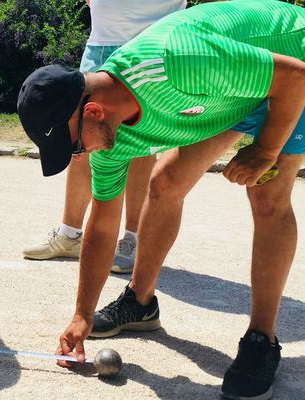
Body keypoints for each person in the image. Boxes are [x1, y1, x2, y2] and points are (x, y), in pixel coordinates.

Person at [17, 1, 305, 399]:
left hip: (303, 62)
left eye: (74, 145)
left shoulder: (176, 63)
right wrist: (81, 315)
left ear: (92, 110)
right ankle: (140, 303)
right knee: (165, 182)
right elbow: (103, 225)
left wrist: (265, 151)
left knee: (265, 191)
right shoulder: (109, 140)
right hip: (236, 88)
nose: (79, 156)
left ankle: (262, 339)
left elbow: (296, 77)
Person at [23, 0, 186, 274]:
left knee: (141, 143)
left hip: (154, 38)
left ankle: (133, 238)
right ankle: (70, 233)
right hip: (101, 38)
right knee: (79, 135)